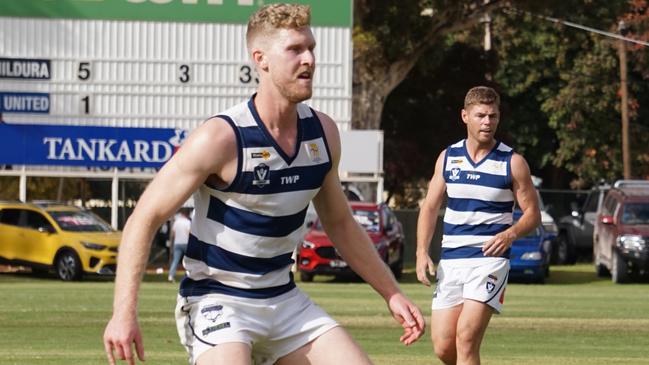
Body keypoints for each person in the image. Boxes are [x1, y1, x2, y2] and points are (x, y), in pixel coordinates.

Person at [103, 4, 424, 365]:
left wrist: (392, 293)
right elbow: (144, 217)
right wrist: (123, 314)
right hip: (218, 300)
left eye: (311, 48)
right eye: (295, 50)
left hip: (284, 300)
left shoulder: (323, 134)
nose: (309, 60)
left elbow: (340, 223)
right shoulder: (221, 138)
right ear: (261, 59)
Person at [415, 86, 540, 365]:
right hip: (452, 260)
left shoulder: (513, 162)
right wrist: (421, 252)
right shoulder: (448, 157)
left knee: (466, 338)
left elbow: (533, 214)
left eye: (493, 116)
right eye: (481, 115)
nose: (487, 122)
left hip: (489, 261)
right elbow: (430, 207)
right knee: (444, 347)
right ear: (465, 116)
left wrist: (510, 234)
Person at [167, 207, 191, 282]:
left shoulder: (177, 222)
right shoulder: (188, 222)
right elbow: (189, 233)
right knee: (189, 260)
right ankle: (189, 276)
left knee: (175, 260)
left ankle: (171, 275)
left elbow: (173, 233)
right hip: (186, 243)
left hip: (177, 243)